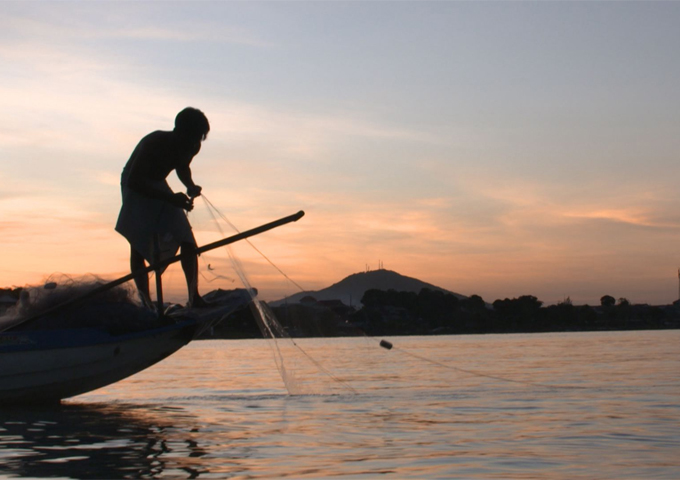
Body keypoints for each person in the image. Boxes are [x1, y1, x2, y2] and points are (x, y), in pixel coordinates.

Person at [115, 107, 210, 308]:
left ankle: (194, 296)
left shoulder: (192, 146)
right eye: (192, 137)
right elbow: (135, 181)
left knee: (187, 240)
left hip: (158, 184)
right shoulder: (154, 143)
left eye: (198, 139)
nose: (194, 144)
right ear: (179, 131)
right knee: (139, 244)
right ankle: (146, 303)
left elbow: (182, 166)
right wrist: (169, 198)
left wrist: (189, 185)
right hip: (136, 186)